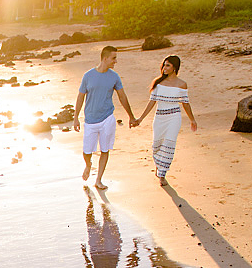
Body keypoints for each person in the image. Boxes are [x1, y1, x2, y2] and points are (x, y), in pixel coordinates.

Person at [73, 46, 138, 190]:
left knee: (105, 150)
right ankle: (88, 165)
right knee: (87, 151)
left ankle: (99, 180)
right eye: (114, 58)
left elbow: (122, 96)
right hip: (90, 119)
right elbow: (80, 96)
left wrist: (131, 116)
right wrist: (75, 117)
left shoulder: (114, 77)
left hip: (107, 118)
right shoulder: (88, 76)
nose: (116, 61)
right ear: (105, 58)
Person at [135, 55, 198, 186]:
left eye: (168, 65)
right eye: (164, 65)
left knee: (169, 144)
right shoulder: (158, 83)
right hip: (159, 118)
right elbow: (152, 102)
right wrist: (140, 118)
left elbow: (185, 103)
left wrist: (192, 120)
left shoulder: (182, 84)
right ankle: (159, 167)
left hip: (174, 117)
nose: (164, 68)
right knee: (157, 146)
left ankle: (162, 174)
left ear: (175, 67)